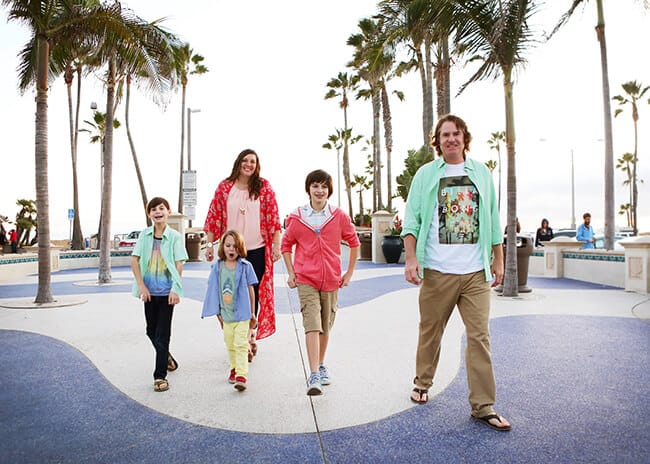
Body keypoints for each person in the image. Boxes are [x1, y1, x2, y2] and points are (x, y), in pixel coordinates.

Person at [402, 114, 511, 431]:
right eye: (444, 134)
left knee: (480, 337)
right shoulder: (425, 175)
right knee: (430, 331)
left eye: (456, 133)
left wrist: (498, 259)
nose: (450, 138)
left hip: (475, 273)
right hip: (438, 271)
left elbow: (491, 218)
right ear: (437, 140)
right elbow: (412, 221)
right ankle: (422, 382)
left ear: (465, 137)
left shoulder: (481, 172)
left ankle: (483, 405)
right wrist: (411, 259)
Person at [281, 169, 360, 396]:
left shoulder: (339, 216)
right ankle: (314, 374)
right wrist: (292, 272)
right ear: (308, 190)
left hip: (332, 280)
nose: (319, 190)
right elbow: (286, 245)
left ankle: (321, 364)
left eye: (324, 186)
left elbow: (354, 243)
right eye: (315, 186)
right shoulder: (297, 218)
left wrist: (349, 273)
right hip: (306, 279)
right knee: (312, 323)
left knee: (325, 326)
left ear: (329, 191)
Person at [204, 149, 282, 351]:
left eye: (253, 162)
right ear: (238, 162)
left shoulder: (263, 187)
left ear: (257, 166)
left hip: (257, 249)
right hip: (232, 250)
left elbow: (274, 219)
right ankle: (238, 334)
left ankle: (248, 337)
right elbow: (214, 216)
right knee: (231, 293)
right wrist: (210, 245)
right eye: (245, 160)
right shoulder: (225, 187)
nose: (249, 164)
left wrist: (276, 246)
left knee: (251, 292)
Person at [131, 197, 188, 393]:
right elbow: (135, 261)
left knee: (163, 334)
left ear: (168, 211)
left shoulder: (174, 237)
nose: (158, 212)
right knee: (151, 331)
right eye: (153, 209)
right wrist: (141, 287)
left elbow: (179, 263)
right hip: (149, 293)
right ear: (149, 214)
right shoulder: (144, 236)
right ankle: (167, 357)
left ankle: (159, 375)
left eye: (161, 208)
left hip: (166, 294)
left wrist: (175, 289)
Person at [202, 230, 258, 391]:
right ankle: (234, 367)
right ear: (223, 247)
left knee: (241, 343)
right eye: (228, 245)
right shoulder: (217, 267)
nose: (231, 249)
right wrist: (217, 313)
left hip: (243, 313)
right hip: (226, 314)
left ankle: (241, 375)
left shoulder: (246, 267)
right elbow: (213, 289)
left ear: (240, 248)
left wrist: (253, 312)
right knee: (230, 344)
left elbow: (251, 290)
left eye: (235, 246)